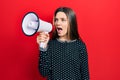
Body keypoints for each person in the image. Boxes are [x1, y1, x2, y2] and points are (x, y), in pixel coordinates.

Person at [37, 7, 89, 80]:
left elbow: (85, 76)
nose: (58, 23)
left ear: (71, 22)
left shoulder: (80, 46)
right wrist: (43, 48)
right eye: (56, 20)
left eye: (63, 20)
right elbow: (43, 73)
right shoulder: (50, 44)